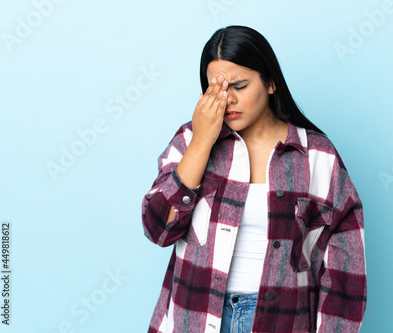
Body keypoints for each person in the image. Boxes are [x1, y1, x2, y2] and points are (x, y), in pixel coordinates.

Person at [141, 25, 366, 333]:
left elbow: (345, 269)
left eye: (240, 86)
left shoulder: (316, 155)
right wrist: (202, 143)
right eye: (216, 89)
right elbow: (158, 230)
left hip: (281, 322)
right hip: (195, 318)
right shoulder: (190, 141)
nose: (227, 100)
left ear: (271, 82)